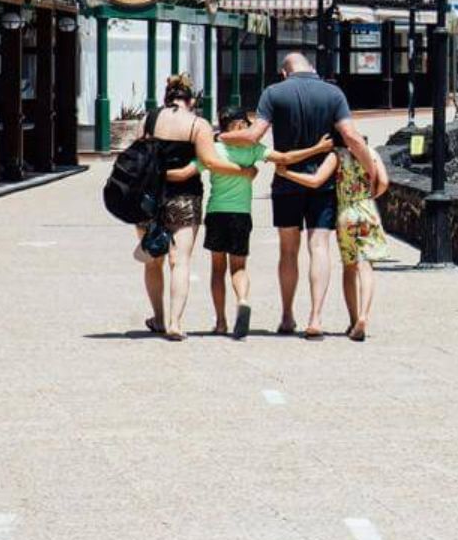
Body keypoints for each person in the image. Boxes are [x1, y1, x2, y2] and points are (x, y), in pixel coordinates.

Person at [220, 52, 379, 340]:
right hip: (324, 183)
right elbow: (352, 138)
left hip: (286, 181)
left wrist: (221, 136)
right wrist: (373, 172)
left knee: (288, 251)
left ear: (284, 72)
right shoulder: (333, 93)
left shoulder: (273, 93)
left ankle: (287, 315)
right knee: (319, 247)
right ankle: (315, 317)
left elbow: (253, 135)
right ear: (312, 68)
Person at [138, 75, 253, 341]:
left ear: (167, 96)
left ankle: (157, 317)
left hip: (150, 196)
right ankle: (175, 322)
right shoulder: (197, 124)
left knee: (153, 261)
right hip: (184, 198)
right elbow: (211, 161)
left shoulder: (148, 119)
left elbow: (139, 155)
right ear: (191, 100)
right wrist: (244, 170)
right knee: (180, 260)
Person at [202, 109, 331, 338]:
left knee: (217, 269)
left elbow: (195, 167)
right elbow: (285, 158)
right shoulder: (253, 149)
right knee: (239, 267)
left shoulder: (215, 147)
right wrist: (317, 149)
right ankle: (242, 299)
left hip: (216, 212)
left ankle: (221, 322)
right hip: (241, 214)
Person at [275, 142, 389, 341]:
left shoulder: (338, 156)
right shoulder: (371, 153)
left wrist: (286, 174)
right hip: (367, 210)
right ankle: (363, 316)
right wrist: (368, 198)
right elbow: (384, 182)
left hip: (346, 213)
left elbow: (316, 180)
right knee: (366, 266)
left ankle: (354, 320)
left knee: (349, 268)